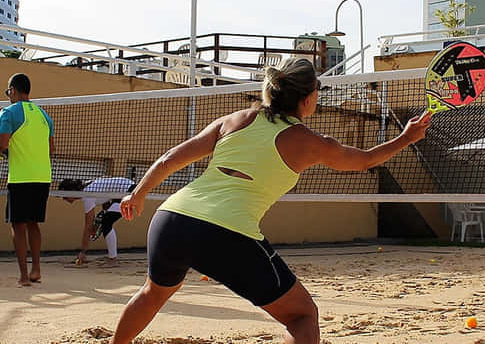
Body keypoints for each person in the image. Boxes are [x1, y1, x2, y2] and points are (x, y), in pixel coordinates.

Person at [109, 58, 432, 344]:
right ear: (307, 99)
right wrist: (406, 137)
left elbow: (169, 157)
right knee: (302, 316)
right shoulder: (311, 142)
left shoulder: (236, 119)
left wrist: (138, 194)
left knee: (153, 295)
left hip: (171, 219)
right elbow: (365, 160)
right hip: (224, 231)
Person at [0, 73, 54, 287]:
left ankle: (24, 276)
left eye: (8, 91)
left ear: (13, 90)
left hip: (21, 178)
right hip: (43, 176)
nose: (8, 95)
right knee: (33, 224)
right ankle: (36, 269)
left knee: (18, 225)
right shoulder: (44, 115)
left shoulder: (8, 112)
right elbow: (51, 149)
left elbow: (2, 143)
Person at [60, 177, 136, 268]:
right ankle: (112, 258)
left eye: (64, 196)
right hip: (121, 193)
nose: (63, 199)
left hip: (128, 192)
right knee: (106, 221)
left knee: (106, 222)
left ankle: (113, 260)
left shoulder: (87, 196)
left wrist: (83, 252)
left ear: (72, 191)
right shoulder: (88, 189)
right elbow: (106, 197)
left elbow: (88, 225)